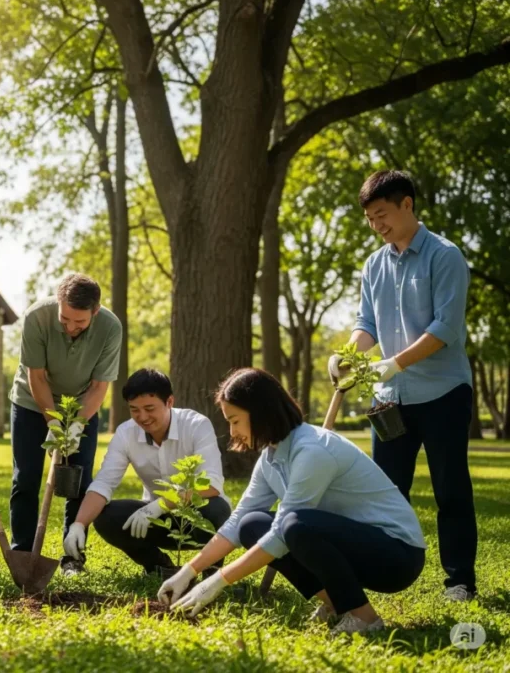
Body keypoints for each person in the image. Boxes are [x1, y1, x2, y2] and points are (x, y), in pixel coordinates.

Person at [158, 368, 427, 635]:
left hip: (396, 555)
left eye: (235, 420)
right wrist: (188, 572)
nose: (232, 431)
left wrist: (217, 581)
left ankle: (365, 618)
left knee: (295, 525)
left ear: (261, 412)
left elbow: (282, 535)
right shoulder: (271, 456)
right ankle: (337, 604)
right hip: (353, 547)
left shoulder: (313, 450)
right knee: (252, 525)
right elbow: (239, 519)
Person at [328, 169, 476, 601]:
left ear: (407, 204)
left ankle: (459, 580)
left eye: (382, 215)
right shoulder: (374, 264)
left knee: (451, 489)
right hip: (389, 400)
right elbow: (367, 324)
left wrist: (394, 363)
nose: (377, 226)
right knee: (384, 492)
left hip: (443, 393)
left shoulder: (444, 256)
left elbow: (445, 327)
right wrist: (351, 355)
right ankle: (379, 573)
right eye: (370, 219)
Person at [62, 369, 231, 576]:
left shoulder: (197, 425)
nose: (142, 417)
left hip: (198, 521)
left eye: (150, 408)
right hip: (153, 522)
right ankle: (160, 567)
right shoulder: (126, 433)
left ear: (169, 401)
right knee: (106, 517)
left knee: (217, 508)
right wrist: (79, 524)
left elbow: (211, 485)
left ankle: (211, 573)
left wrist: (160, 504)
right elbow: (104, 484)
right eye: (134, 410)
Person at [9, 273, 122, 575]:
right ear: (58, 303)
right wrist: (53, 423)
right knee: (26, 477)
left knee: (78, 481)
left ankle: (73, 558)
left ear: (95, 312)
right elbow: (37, 377)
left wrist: (75, 426)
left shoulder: (110, 328)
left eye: (80, 322)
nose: (70, 327)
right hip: (32, 402)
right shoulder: (37, 317)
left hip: (81, 405)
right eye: (65, 319)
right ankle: (22, 552)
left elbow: (99, 387)